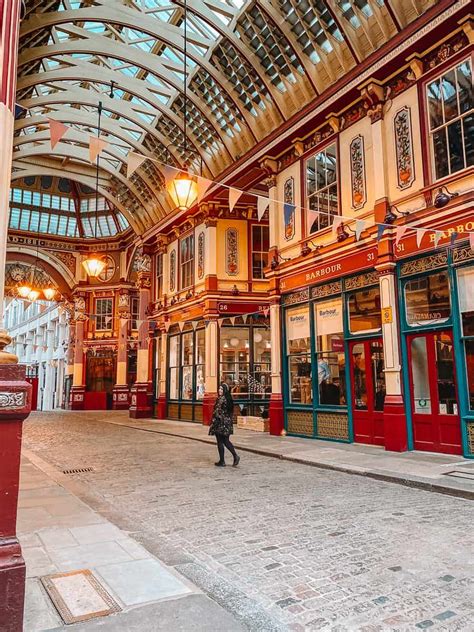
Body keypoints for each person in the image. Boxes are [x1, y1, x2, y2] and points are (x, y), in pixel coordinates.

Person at [208, 383, 240, 467]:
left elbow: (218, 412)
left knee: (220, 442)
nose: (219, 390)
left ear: (225, 390)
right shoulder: (228, 398)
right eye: (219, 389)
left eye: (221, 389)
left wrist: (214, 420)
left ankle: (222, 461)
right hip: (227, 423)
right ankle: (235, 456)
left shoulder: (221, 399)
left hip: (221, 423)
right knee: (226, 441)